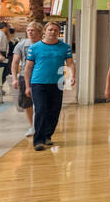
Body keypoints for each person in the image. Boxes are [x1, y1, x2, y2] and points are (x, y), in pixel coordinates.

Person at [23, 21, 75, 151]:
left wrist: (72, 76)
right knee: (41, 110)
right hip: (38, 83)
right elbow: (28, 67)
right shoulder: (35, 48)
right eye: (50, 29)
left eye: (55, 30)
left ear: (59, 32)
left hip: (57, 83)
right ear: (45, 31)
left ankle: (47, 135)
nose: (52, 32)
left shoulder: (65, 47)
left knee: (54, 111)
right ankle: (38, 140)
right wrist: (27, 86)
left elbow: (70, 63)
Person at [9, 21, 43, 138]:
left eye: (33, 30)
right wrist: (14, 78)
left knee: (41, 103)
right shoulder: (21, 45)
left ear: (40, 32)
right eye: (28, 30)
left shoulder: (45, 44)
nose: (30, 32)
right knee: (26, 102)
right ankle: (32, 126)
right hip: (25, 77)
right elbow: (15, 62)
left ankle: (40, 125)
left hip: (41, 77)